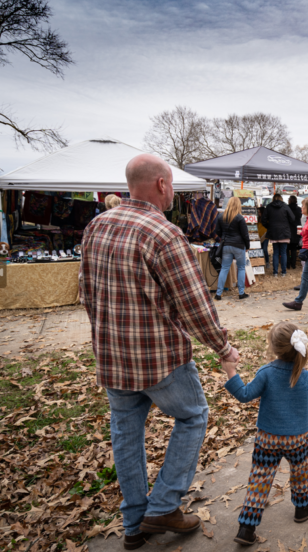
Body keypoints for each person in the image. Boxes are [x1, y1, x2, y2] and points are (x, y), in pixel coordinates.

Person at [79, 154, 239, 547]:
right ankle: (163, 505)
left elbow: (85, 291)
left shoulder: (96, 226)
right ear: (162, 185)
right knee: (194, 416)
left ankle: (135, 523)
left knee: (126, 436)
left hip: (113, 358)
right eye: (172, 185)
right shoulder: (163, 233)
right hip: (159, 360)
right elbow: (194, 304)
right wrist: (223, 348)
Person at [221, 322, 308, 544]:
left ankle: (246, 528)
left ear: (273, 347)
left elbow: (244, 394)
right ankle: (303, 507)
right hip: (298, 439)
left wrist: (231, 371)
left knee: (260, 478)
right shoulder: (305, 376)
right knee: (300, 472)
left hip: (267, 438)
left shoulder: (266, 372)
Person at [215, 196, 250, 300]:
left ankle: (218, 294)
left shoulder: (221, 216)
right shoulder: (240, 218)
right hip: (239, 245)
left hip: (226, 245)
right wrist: (247, 246)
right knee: (241, 267)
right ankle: (241, 293)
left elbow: (217, 231)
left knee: (224, 268)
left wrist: (224, 236)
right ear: (238, 205)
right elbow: (245, 234)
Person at [263, 194, 295, 277]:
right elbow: (292, 218)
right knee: (283, 252)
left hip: (274, 233)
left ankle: (275, 272)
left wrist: (269, 226)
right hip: (284, 232)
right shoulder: (285, 206)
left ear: (273, 199)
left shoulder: (269, 206)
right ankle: (283, 272)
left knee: (275, 253)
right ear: (281, 198)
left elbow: (263, 220)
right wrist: (287, 225)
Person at [287, 195, 302, 269]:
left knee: (286, 249)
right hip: (296, 230)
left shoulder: (287, 208)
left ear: (289, 200)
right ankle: (293, 264)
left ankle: (288, 264)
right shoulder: (299, 209)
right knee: (293, 249)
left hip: (288, 230)